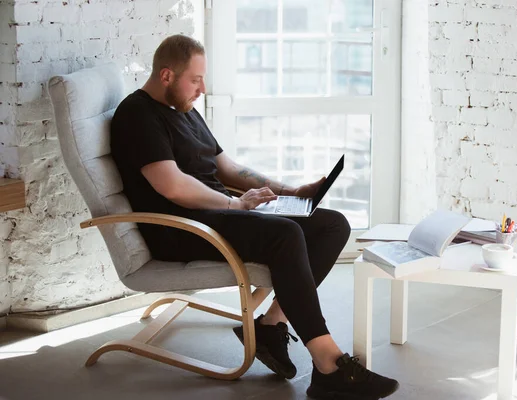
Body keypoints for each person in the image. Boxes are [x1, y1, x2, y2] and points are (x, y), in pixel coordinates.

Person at [110, 34, 399, 400]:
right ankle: (329, 365)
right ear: (166, 75)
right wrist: (233, 205)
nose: (202, 88)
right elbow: (172, 186)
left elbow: (226, 167)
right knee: (286, 234)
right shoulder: (137, 115)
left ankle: (272, 324)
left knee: (331, 224)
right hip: (183, 228)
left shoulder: (182, 108)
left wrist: (292, 192)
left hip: (215, 215)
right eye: (195, 80)